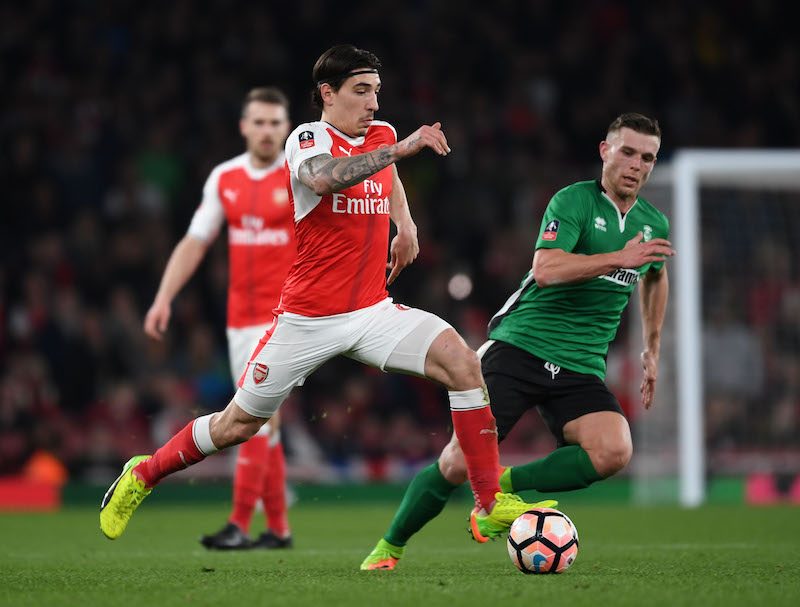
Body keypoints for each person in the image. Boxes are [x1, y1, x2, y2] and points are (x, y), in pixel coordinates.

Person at [100, 44, 550, 545]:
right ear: (328, 93)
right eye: (361, 91)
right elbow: (323, 178)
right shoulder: (306, 139)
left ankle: (488, 503)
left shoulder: (380, 134)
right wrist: (399, 150)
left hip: (372, 311)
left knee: (464, 364)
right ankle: (143, 473)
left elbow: (388, 176)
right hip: (307, 319)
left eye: (376, 91)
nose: (373, 103)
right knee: (237, 425)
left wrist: (405, 224)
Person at [361, 112, 673, 570]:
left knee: (613, 450)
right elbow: (546, 270)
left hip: (581, 364)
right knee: (456, 464)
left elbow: (655, 275)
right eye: (627, 152)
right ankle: (389, 547)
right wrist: (616, 258)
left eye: (647, 158)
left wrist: (652, 346)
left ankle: (497, 487)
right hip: (519, 347)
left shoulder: (653, 223)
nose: (636, 165)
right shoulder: (573, 202)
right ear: (605, 151)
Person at [142, 87, 296, 550]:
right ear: (244, 127)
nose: (267, 131)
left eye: (275, 122)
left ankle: (239, 524)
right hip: (239, 319)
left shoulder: (300, 175)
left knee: (256, 417)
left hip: (287, 316)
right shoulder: (225, 178)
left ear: (286, 128)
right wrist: (164, 297)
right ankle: (279, 529)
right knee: (266, 420)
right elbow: (195, 241)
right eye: (259, 122)